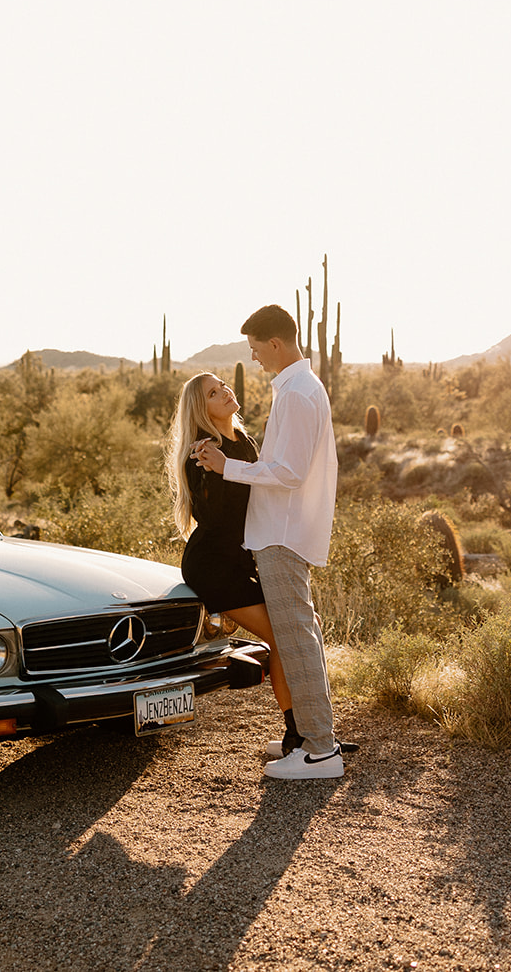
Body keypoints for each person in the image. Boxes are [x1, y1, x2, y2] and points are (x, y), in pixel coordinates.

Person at [193, 304, 344, 780]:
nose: (255, 359)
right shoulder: (301, 388)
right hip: (278, 535)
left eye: (257, 350)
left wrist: (226, 468)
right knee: (300, 637)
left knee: (297, 639)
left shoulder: (297, 395)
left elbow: (289, 473)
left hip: (280, 536)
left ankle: (319, 751)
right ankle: (319, 743)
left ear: (275, 344)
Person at [166, 372, 299, 752]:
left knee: (296, 632)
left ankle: (309, 730)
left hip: (242, 559)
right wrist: (221, 469)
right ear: (201, 408)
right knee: (283, 636)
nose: (225, 391)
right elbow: (218, 520)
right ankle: (297, 736)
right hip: (213, 565)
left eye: (223, 384)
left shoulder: (244, 442)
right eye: (213, 392)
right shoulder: (203, 452)